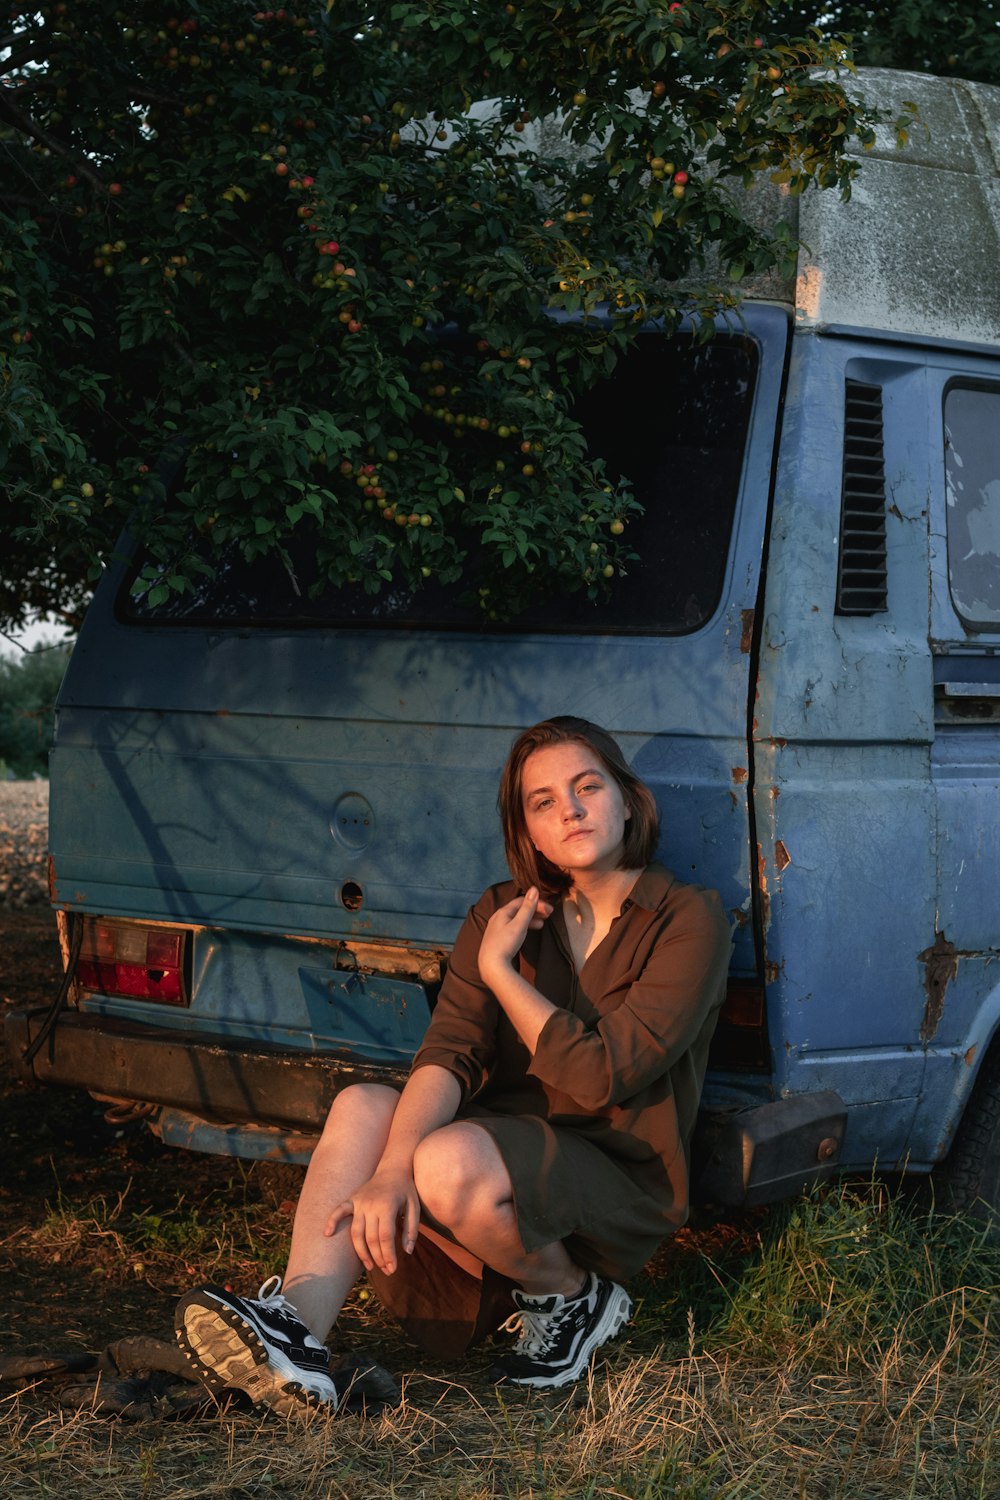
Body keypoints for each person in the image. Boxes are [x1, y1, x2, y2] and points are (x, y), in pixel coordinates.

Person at [174, 716, 732, 1413]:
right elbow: (449, 1052)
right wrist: (388, 1169)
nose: (572, 809)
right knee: (364, 1108)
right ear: (527, 829)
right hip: (498, 1153)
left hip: (616, 1171)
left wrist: (502, 972)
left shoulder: (689, 918)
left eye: (588, 786)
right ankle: (296, 1336)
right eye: (544, 801)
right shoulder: (500, 909)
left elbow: (602, 1076)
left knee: (443, 1160)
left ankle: (570, 1296)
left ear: (628, 799)